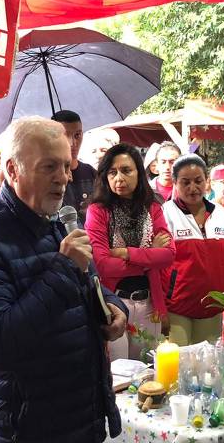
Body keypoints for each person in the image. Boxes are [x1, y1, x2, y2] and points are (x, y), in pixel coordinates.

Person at [0, 116, 128, 443]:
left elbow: (89, 284)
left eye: (66, 166)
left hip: (76, 418)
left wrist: (114, 307)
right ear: (13, 169)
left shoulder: (55, 221)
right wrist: (64, 270)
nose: (63, 178)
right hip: (24, 429)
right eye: (49, 167)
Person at [85, 143, 175, 361]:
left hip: (149, 303)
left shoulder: (152, 208)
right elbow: (103, 264)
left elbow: (169, 254)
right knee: (118, 373)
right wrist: (149, 255)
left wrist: (126, 252)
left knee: (147, 371)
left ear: (139, 173)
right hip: (113, 304)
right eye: (112, 172)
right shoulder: (98, 211)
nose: (119, 178)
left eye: (126, 170)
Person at [161, 154, 224, 346]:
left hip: (213, 306)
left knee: (207, 370)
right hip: (177, 307)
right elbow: (157, 262)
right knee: (179, 368)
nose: (192, 188)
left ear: (207, 181)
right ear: (175, 183)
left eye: (198, 181)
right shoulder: (165, 213)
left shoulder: (220, 213)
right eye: (185, 182)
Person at [51, 110, 97, 224]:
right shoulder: (46, 177)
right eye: (65, 135)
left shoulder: (92, 173)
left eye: (77, 135)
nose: (73, 143)